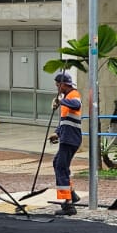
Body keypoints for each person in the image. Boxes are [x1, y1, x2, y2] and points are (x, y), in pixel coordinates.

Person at [49, 72, 84, 215]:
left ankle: (68, 205)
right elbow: (65, 120)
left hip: (71, 138)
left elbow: (77, 105)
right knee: (58, 163)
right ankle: (72, 194)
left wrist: (60, 101)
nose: (57, 88)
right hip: (67, 137)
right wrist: (57, 133)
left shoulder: (73, 95)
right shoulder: (66, 98)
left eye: (58, 86)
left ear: (63, 85)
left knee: (60, 167)